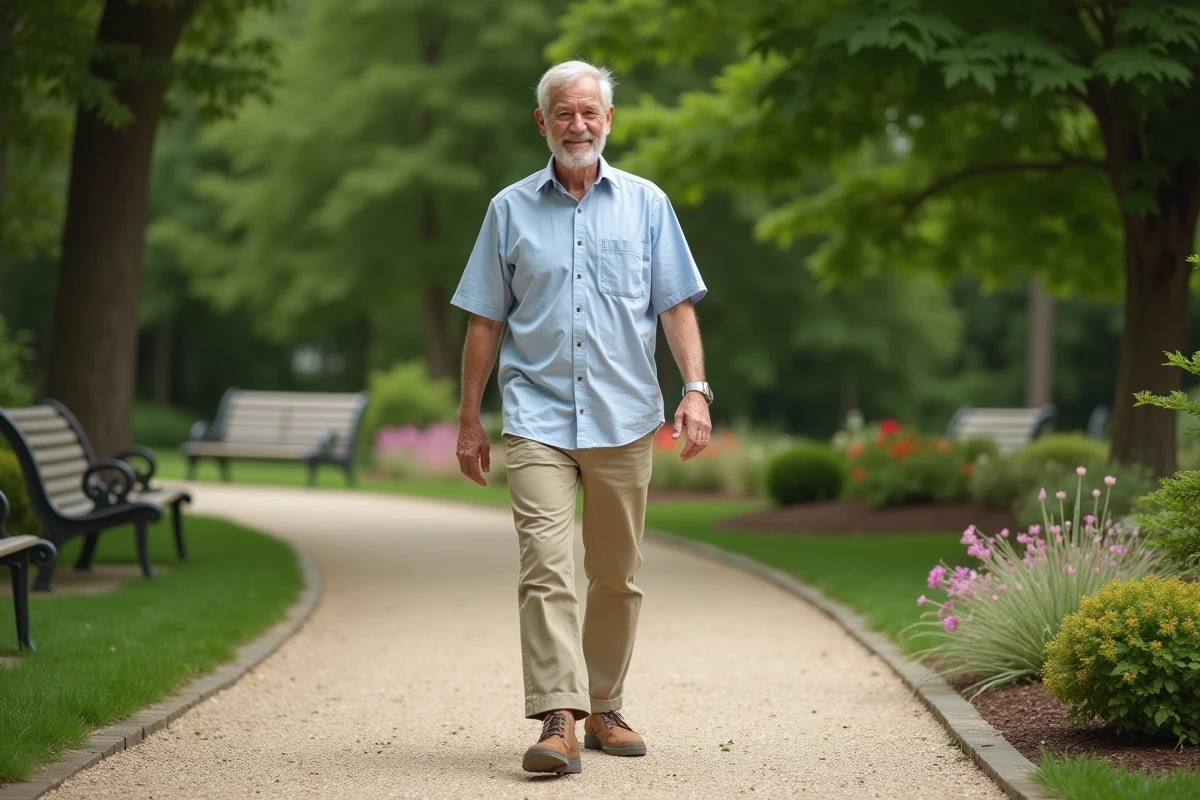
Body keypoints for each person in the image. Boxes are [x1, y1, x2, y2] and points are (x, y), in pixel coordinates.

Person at [450, 59, 713, 775]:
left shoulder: (648, 204)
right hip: (536, 415)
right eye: (563, 113)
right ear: (542, 122)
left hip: (625, 416)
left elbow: (674, 305)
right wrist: (470, 420)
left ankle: (604, 707)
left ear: (609, 120)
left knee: (617, 574)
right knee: (546, 567)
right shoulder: (508, 210)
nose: (578, 125)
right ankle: (557, 719)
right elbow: (484, 320)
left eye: (589, 112)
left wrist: (695, 390)